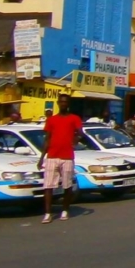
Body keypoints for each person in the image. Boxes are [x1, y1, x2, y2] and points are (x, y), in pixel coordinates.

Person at [38, 94, 84, 224]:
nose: (63, 104)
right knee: (48, 186)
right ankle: (47, 213)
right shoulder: (52, 120)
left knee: (67, 185)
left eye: (66, 102)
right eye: (61, 102)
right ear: (58, 103)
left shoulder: (74, 118)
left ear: (68, 104)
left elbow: (81, 133)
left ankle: (65, 210)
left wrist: (76, 139)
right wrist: (42, 158)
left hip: (67, 156)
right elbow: (47, 138)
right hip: (52, 155)